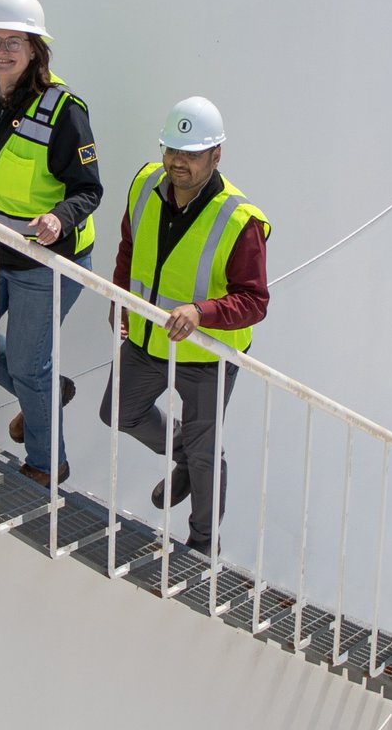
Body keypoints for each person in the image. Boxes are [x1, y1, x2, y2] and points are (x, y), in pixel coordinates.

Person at [0, 0, 102, 487]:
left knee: (31, 367)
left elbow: (89, 189)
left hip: (44, 263)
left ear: (36, 50)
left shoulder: (64, 110)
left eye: (15, 41)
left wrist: (59, 218)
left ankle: (47, 466)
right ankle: (45, 395)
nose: (2, 50)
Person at [105, 98, 270, 553]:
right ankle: (186, 457)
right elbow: (128, 245)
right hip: (145, 338)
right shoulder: (144, 184)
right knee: (117, 412)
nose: (178, 162)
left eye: (191, 154)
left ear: (216, 155)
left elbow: (255, 301)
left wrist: (202, 313)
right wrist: (121, 298)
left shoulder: (240, 221)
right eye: (171, 150)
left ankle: (202, 547)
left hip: (207, 355)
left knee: (204, 452)